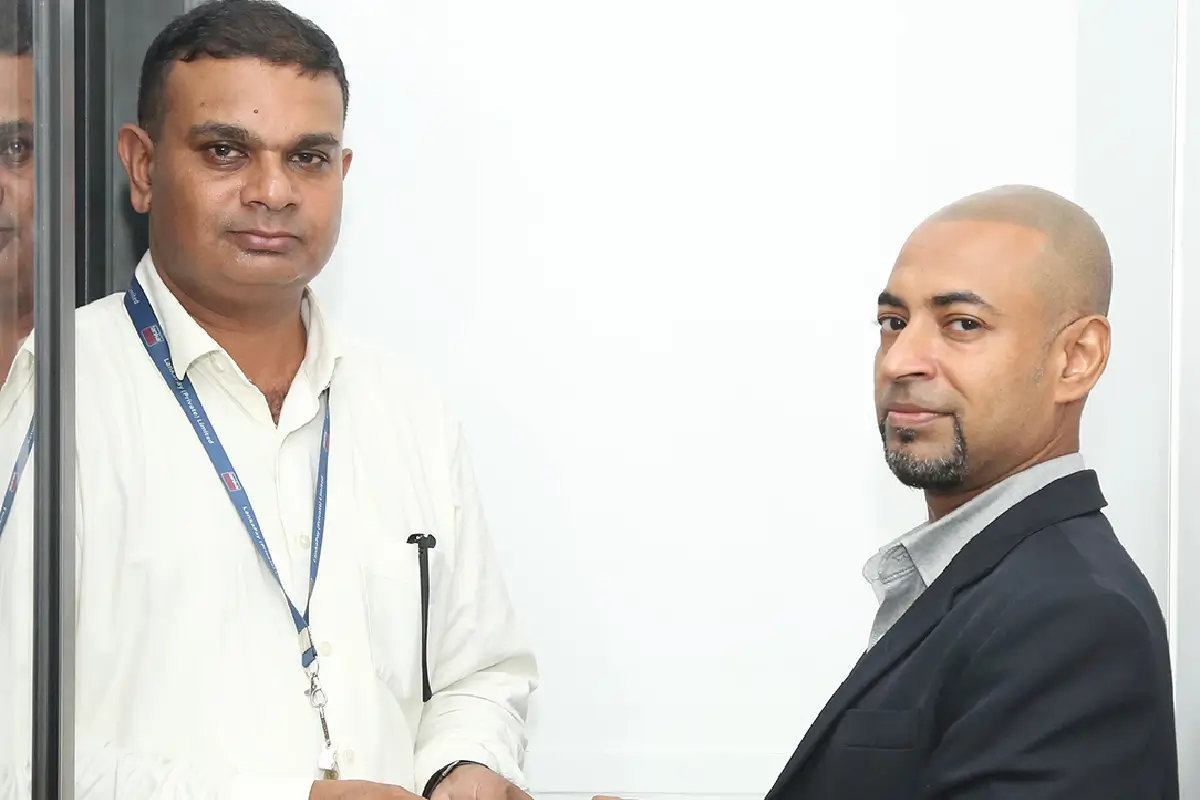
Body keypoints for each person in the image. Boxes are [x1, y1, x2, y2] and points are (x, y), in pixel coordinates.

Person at [6, 0, 538, 797]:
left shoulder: (406, 408)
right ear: (142, 167)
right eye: (226, 151)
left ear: (341, 175)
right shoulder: (62, 393)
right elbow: (14, 745)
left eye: (308, 158)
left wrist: (466, 763)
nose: (274, 190)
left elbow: (482, 675)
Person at [763, 185, 1178, 798]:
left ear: (1077, 358)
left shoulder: (1073, 617)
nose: (899, 360)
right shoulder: (993, 584)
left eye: (962, 324)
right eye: (893, 322)